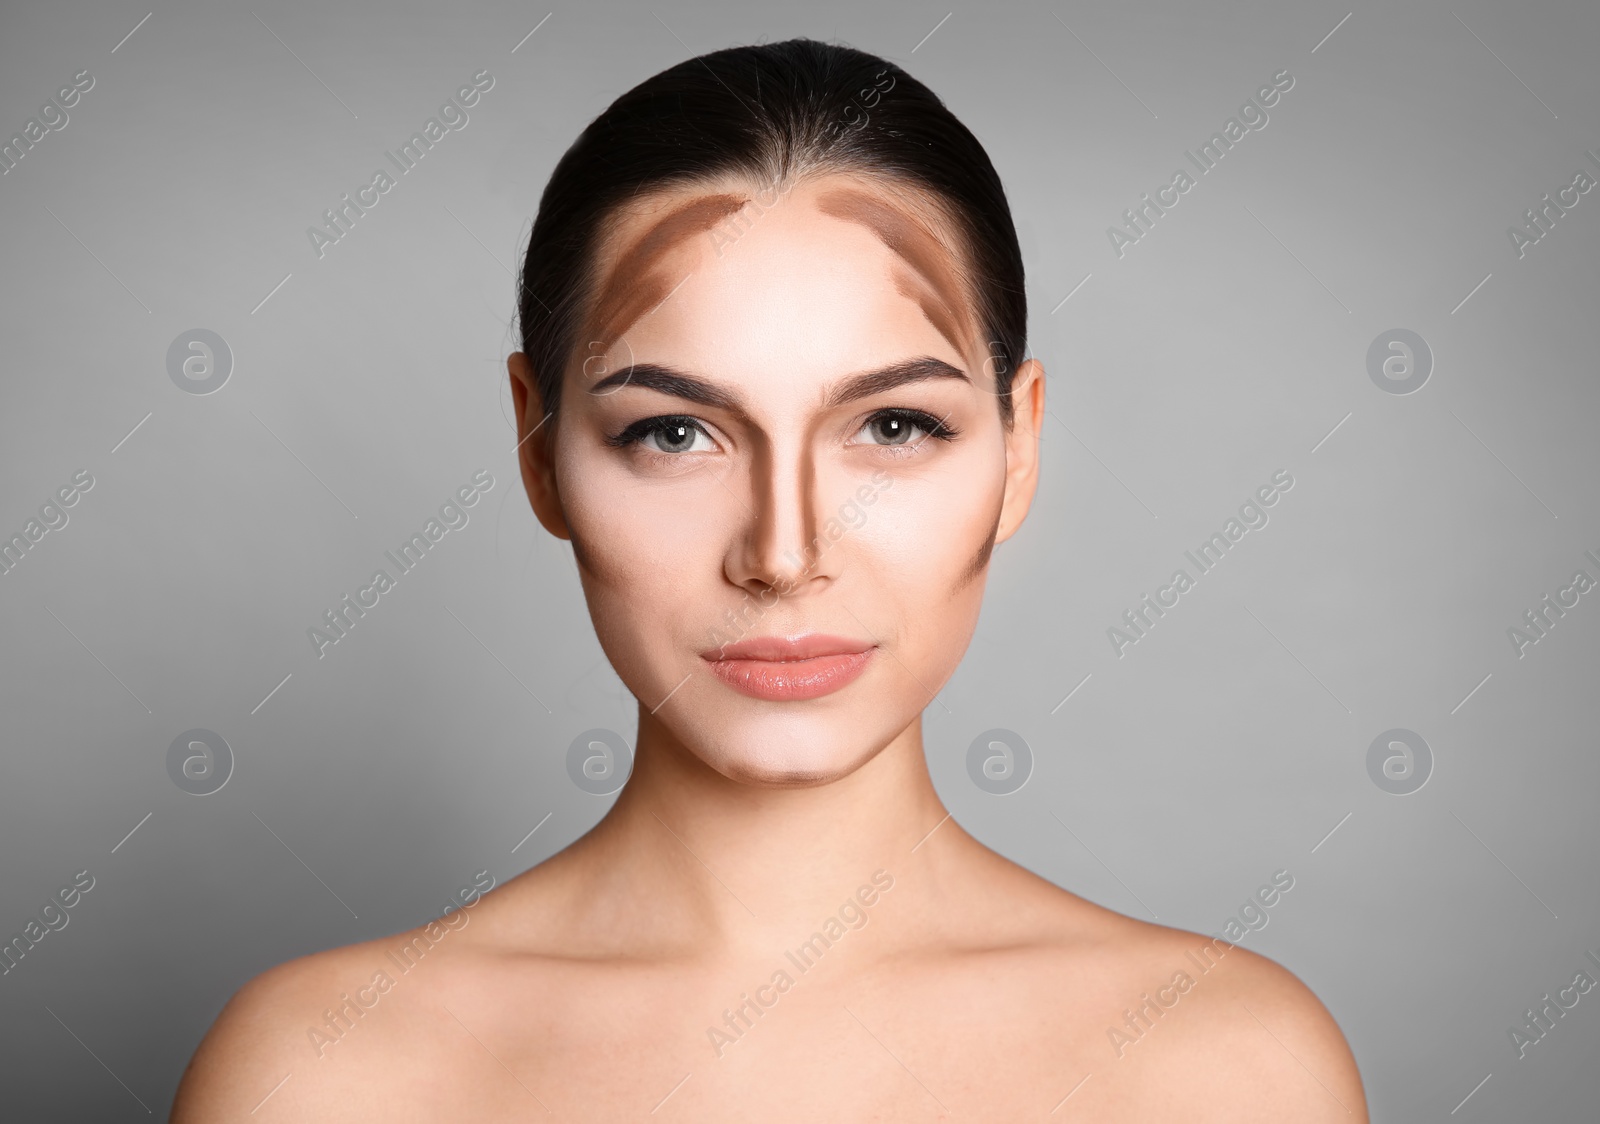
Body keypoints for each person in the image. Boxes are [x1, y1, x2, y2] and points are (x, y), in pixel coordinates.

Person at [172, 37, 1367, 1120]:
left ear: (1019, 450)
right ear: (538, 448)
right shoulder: (320, 1073)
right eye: (674, 433)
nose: (784, 554)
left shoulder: (1229, 1069)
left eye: (893, 425)